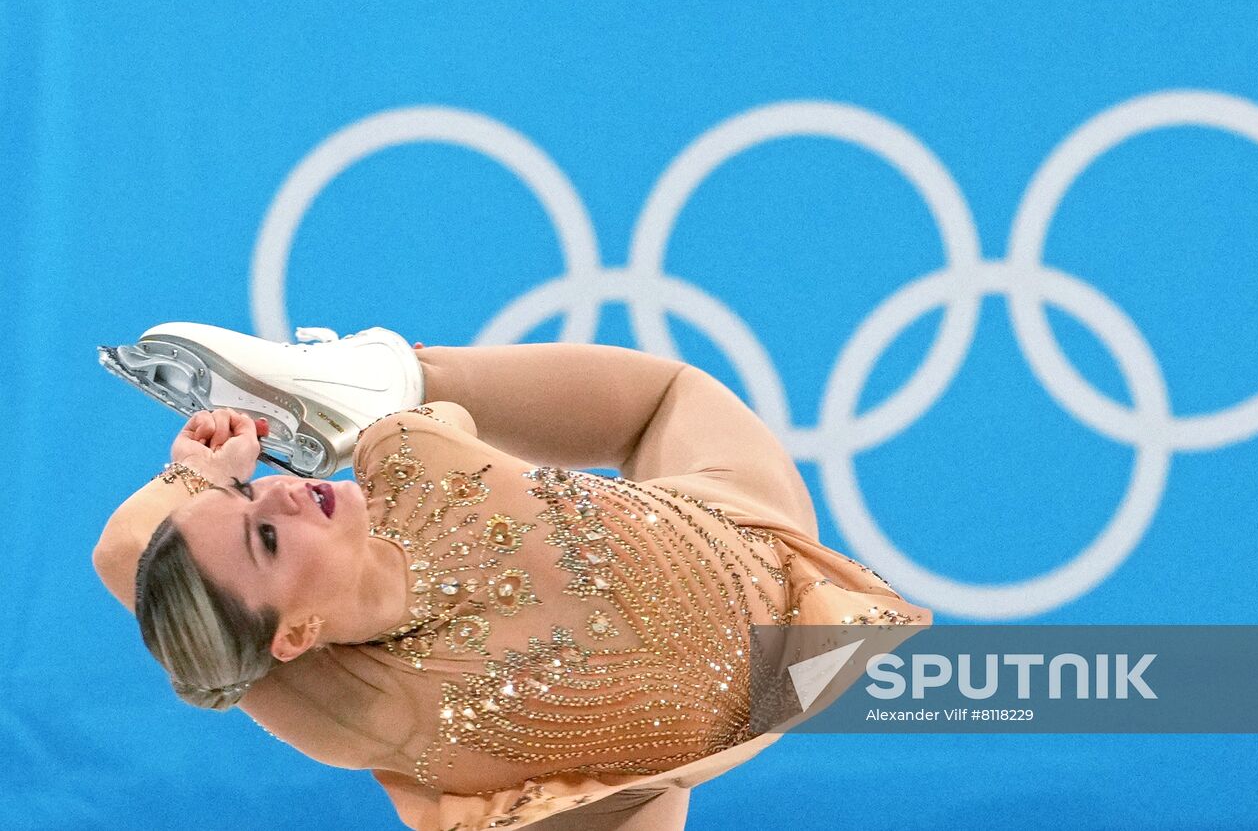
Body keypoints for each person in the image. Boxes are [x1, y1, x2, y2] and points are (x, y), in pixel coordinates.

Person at [92, 323, 933, 830]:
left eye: (254, 486)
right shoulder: (346, 703)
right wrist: (196, 485)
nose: (277, 487)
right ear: (296, 633)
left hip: (754, 555)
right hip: (633, 780)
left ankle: (395, 372)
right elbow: (119, 557)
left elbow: (146, 552)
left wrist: (205, 473)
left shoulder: (415, 459)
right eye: (265, 538)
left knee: (669, 398)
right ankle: (395, 374)